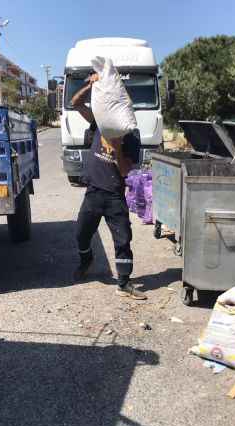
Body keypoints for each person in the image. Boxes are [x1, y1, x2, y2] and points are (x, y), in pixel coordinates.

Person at [71, 73, 147, 300]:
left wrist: (118, 149)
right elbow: (75, 103)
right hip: (93, 191)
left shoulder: (132, 137)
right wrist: (90, 85)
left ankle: (124, 283)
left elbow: (125, 171)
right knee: (81, 235)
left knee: (123, 239)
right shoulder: (99, 123)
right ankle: (87, 260)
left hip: (114, 195)